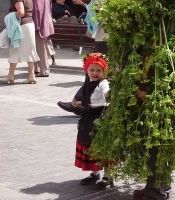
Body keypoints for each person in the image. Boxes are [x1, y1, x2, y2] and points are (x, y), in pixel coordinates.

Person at [57, 0, 109, 114]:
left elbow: (99, 10)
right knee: (96, 72)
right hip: (105, 37)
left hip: (105, 37)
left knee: (93, 72)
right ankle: (82, 103)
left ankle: (80, 104)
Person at [74, 53, 113, 190]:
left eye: (98, 70)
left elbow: (106, 91)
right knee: (89, 144)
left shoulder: (103, 83)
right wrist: (78, 102)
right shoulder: (88, 82)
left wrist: (108, 93)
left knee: (103, 146)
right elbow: (89, 98)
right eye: (92, 70)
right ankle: (95, 173)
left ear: (104, 71)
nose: (95, 73)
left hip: (101, 117)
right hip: (88, 118)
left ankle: (108, 176)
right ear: (87, 70)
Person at [0, 0, 39, 84]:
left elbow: (21, 12)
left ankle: (10, 76)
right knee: (30, 51)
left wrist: (10, 16)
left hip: (21, 26)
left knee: (14, 50)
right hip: (30, 25)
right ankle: (31, 76)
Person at [33, 0, 54, 77]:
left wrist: (37, 25)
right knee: (38, 47)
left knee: (40, 48)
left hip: (41, 24)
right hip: (47, 23)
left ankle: (44, 70)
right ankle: (37, 68)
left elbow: (37, 10)